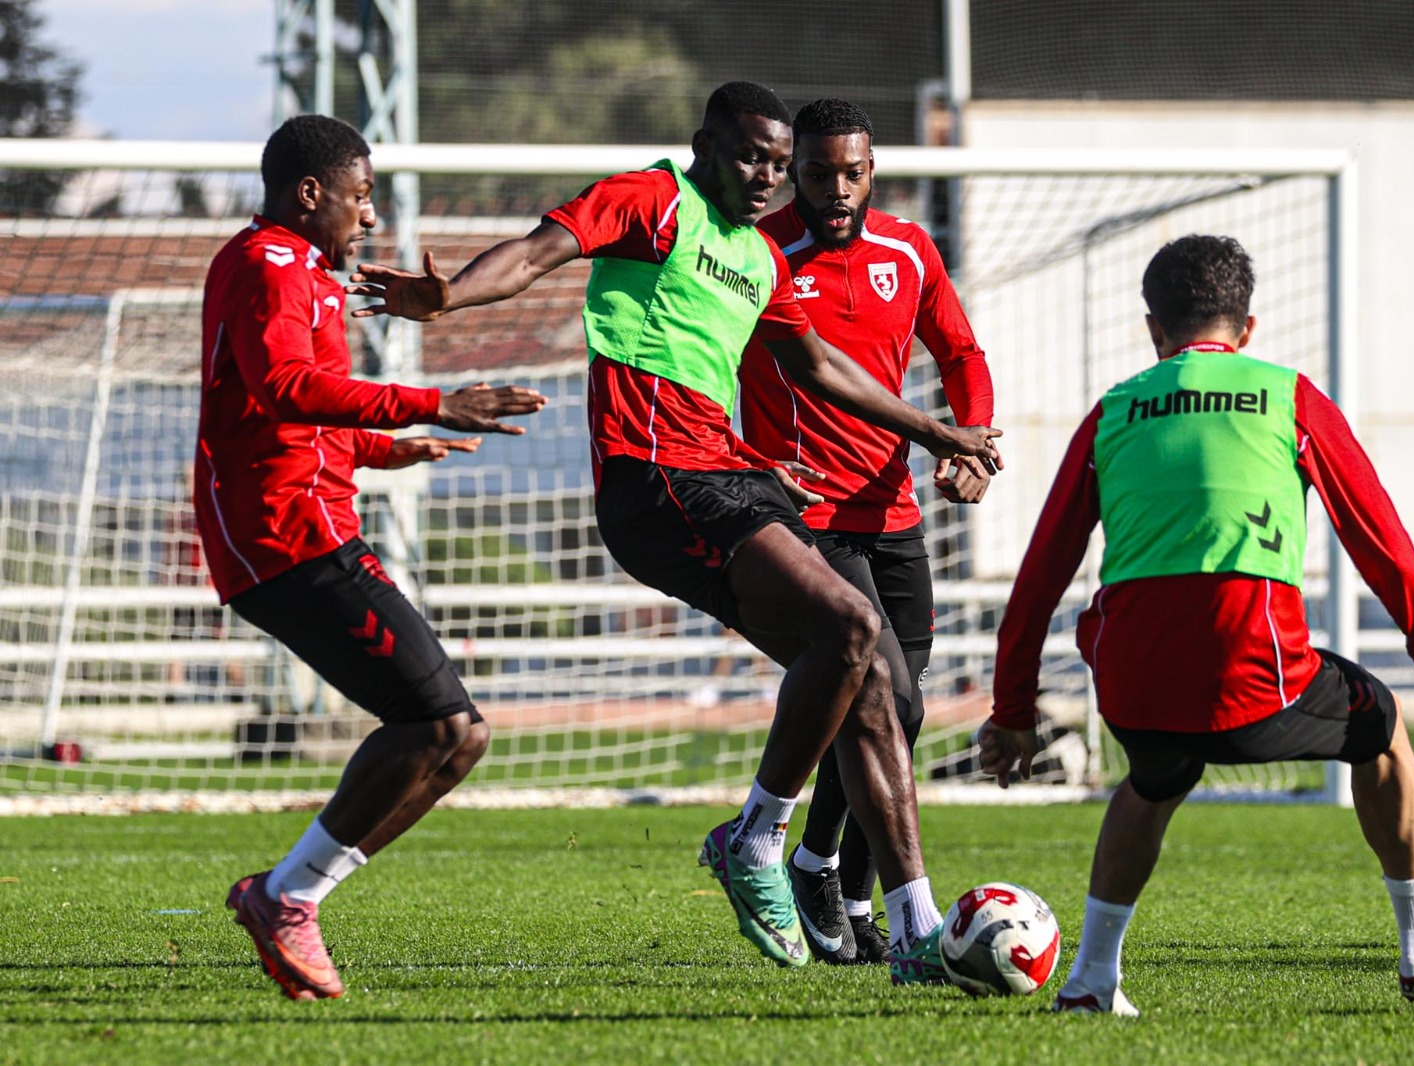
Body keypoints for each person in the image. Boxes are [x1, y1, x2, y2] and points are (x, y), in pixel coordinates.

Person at [347, 81, 1002, 982]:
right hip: (656, 476)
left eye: (780, 164)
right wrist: (450, 297)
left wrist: (939, 432)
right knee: (851, 631)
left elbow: (813, 363)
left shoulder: (761, 260)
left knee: (877, 683)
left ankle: (919, 935)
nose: (769, 177)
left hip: (728, 475)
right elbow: (538, 254)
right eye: (753, 157)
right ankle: (758, 837)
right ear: (703, 146)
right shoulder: (653, 200)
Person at [979, 235, 1414, 1015]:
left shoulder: (1112, 412)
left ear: (1153, 329)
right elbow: (1379, 540)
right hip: (1253, 671)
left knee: (1153, 780)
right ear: (1247, 328)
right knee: (1382, 725)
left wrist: (1013, 714)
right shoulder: (1288, 396)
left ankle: (1092, 979)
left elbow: (1040, 577)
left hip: (1132, 680)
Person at [196, 114, 547, 1001]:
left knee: (459, 738)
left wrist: (390, 450)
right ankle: (287, 897)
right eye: (360, 196)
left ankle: (290, 895)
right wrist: (430, 404)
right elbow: (281, 389)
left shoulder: (309, 274)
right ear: (310, 193)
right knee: (437, 722)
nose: (371, 216)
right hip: (283, 534)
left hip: (317, 521)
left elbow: (305, 417)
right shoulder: (267, 265)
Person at [737, 98, 996, 965]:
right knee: (897, 698)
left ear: (872, 168)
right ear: (791, 170)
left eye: (852, 173)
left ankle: (828, 875)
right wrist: (744, 457)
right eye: (818, 174)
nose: (836, 190)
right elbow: (700, 367)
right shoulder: (758, 254)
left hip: (895, 516)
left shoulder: (908, 249)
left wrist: (975, 443)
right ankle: (827, 877)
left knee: (893, 717)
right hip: (808, 519)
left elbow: (961, 353)